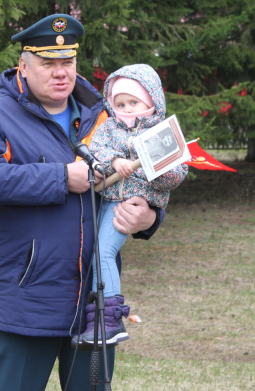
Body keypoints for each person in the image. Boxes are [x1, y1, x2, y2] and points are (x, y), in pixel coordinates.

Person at [0, 14, 164, 391]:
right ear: (23, 65)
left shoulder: (104, 115)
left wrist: (148, 216)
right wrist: (60, 177)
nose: (60, 73)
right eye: (47, 63)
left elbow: (139, 179)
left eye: (66, 62)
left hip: (95, 301)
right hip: (28, 299)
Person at [74, 64, 187, 346]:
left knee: (104, 252)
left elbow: (175, 176)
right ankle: (100, 317)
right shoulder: (109, 127)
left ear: (151, 102)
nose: (126, 108)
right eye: (119, 103)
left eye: (133, 102)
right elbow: (97, 148)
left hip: (128, 202)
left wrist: (153, 167)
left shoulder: (161, 132)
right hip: (106, 196)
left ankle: (108, 318)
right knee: (97, 251)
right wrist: (114, 161)